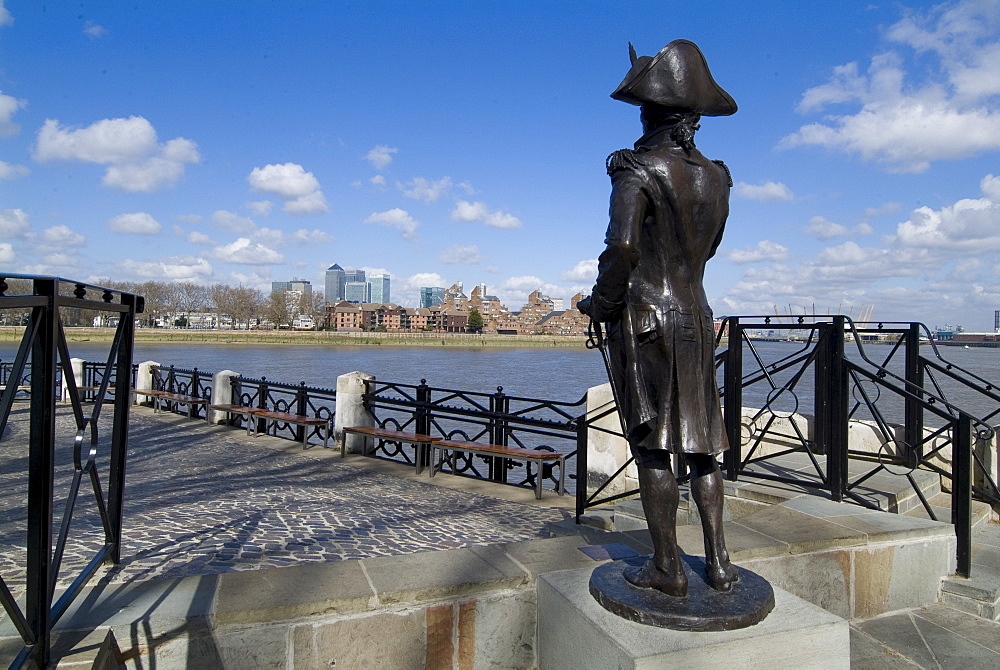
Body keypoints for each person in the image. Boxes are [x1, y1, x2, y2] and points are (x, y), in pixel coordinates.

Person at [578, 39, 738, 596]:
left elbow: (621, 249)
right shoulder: (718, 177)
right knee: (702, 445)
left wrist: (598, 305)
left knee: (653, 446)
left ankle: (668, 568)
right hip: (697, 316)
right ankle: (719, 564)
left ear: (650, 112)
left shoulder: (635, 170)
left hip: (646, 320)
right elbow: (708, 250)